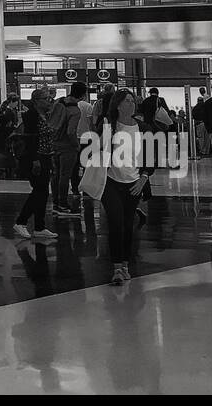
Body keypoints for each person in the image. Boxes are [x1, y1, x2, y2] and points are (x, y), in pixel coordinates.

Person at [80, 88, 149, 285]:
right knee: (116, 223)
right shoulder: (109, 125)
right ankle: (117, 267)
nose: (132, 104)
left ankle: (126, 264)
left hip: (134, 182)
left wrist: (143, 179)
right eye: (127, 101)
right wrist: (105, 133)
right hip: (110, 181)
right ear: (118, 104)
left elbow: (150, 158)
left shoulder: (143, 128)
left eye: (133, 101)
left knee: (128, 225)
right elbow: (97, 149)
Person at [13, 88, 57, 240]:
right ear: (37, 101)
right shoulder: (31, 116)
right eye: (46, 98)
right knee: (39, 190)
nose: (49, 101)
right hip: (35, 158)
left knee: (43, 191)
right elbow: (30, 139)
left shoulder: (45, 115)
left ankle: (39, 226)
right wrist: (35, 160)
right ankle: (21, 221)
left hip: (45, 156)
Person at [49, 85, 85, 217]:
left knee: (55, 175)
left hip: (54, 144)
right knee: (65, 175)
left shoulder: (59, 102)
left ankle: (56, 203)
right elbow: (71, 131)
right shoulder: (75, 110)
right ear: (82, 96)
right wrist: (76, 145)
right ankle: (63, 205)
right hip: (67, 147)